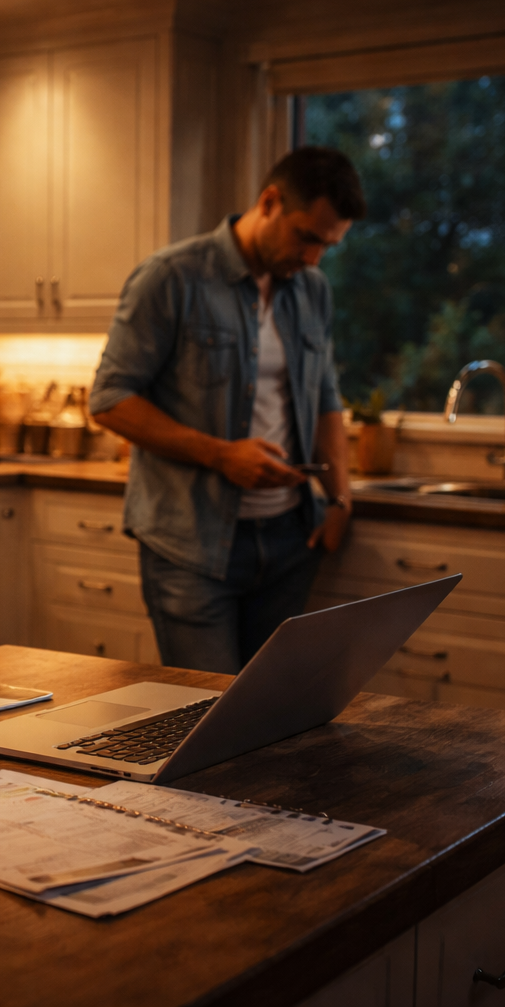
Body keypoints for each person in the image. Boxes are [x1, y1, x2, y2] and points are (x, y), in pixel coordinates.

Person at [89, 146, 366, 675]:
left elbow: (326, 396)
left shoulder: (312, 289)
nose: (313, 257)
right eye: (307, 236)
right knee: (207, 718)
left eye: (327, 246)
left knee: (270, 721)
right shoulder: (172, 277)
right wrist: (221, 455)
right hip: (191, 547)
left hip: (289, 542)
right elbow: (109, 399)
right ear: (269, 202)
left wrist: (340, 499)